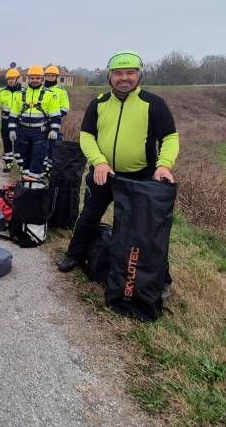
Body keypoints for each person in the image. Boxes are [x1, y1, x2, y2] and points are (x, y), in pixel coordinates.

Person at [57, 51, 179, 287]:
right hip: (104, 175)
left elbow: (170, 137)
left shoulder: (154, 104)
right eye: (119, 73)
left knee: (143, 228)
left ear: (139, 75)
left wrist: (164, 166)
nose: (124, 78)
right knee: (88, 218)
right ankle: (73, 255)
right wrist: (99, 162)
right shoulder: (99, 103)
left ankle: (156, 276)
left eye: (130, 73)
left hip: (140, 178)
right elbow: (87, 136)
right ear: (109, 77)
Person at [8, 65, 62, 183]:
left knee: (37, 158)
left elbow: (56, 115)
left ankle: (35, 185)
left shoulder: (50, 95)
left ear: (42, 79)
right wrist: (12, 129)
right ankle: (26, 184)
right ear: (28, 79)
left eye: (37, 78)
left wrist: (54, 130)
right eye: (32, 78)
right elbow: (14, 114)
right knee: (24, 158)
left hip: (40, 133)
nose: (35, 80)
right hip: (23, 131)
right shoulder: (20, 95)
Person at [0, 68, 23, 172]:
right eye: (9, 79)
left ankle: (22, 165)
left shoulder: (24, 92)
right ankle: (8, 163)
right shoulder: (2, 92)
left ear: (17, 79)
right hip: (6, 121)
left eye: (13, 78)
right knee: (6, 142)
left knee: (19, 143)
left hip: (19, 122)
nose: (10, 81)